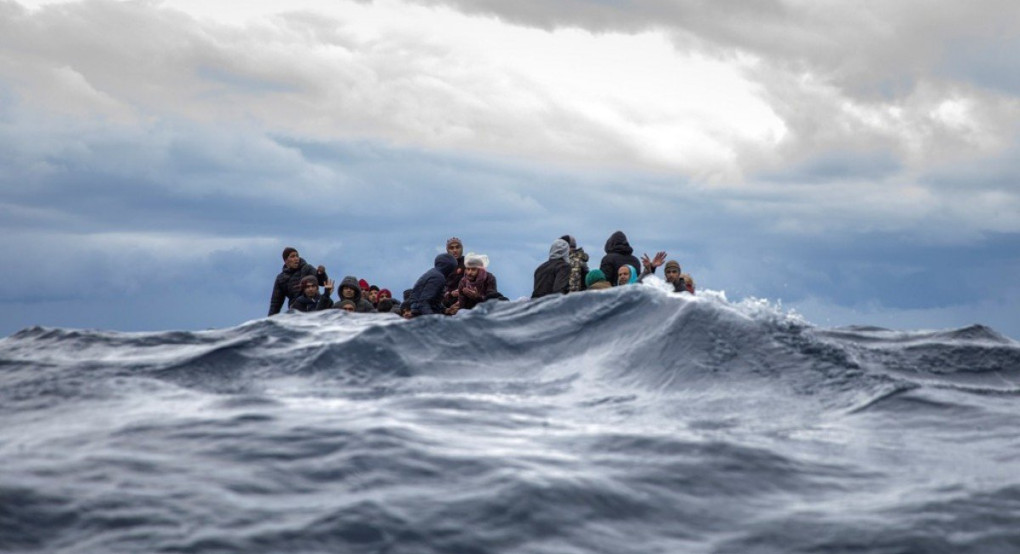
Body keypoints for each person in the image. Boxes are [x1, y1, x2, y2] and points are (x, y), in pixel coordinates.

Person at [268, 247, 328, 316]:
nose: (296, 258)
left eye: (297, 256)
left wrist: (321, 274)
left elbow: (323, 282)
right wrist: (269, 322)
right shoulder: (281, 279)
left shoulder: (307, 268)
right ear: (286, 260)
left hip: (315, 305)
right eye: (292, 256)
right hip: (296, 310)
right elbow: (275, 303)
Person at [442, 237, 466, 308]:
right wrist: (450, 294)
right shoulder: (443, 266)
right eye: (451, 248)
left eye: (457, 247)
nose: (455, 250)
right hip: (448, 299)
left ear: (461, 249)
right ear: (447, 250)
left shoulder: (468, 262)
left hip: (465, 297)